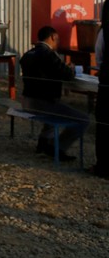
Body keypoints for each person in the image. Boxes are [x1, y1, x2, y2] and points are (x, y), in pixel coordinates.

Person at [19, 25, 88, 162]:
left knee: (55, 109)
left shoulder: (28, 54)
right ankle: (58, 148)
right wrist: (71, 69)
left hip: (27, 100)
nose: (58, 43)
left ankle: (44, 143)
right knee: (83, 119)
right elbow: (66, 74)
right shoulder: (48, 54)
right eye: (58, 39)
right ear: (53, 37)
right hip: (42, 103)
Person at [92, 0, 109, 178]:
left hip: (107, 84)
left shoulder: (104, 31)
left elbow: (99, 55)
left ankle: (103, 166)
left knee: (104, 126)